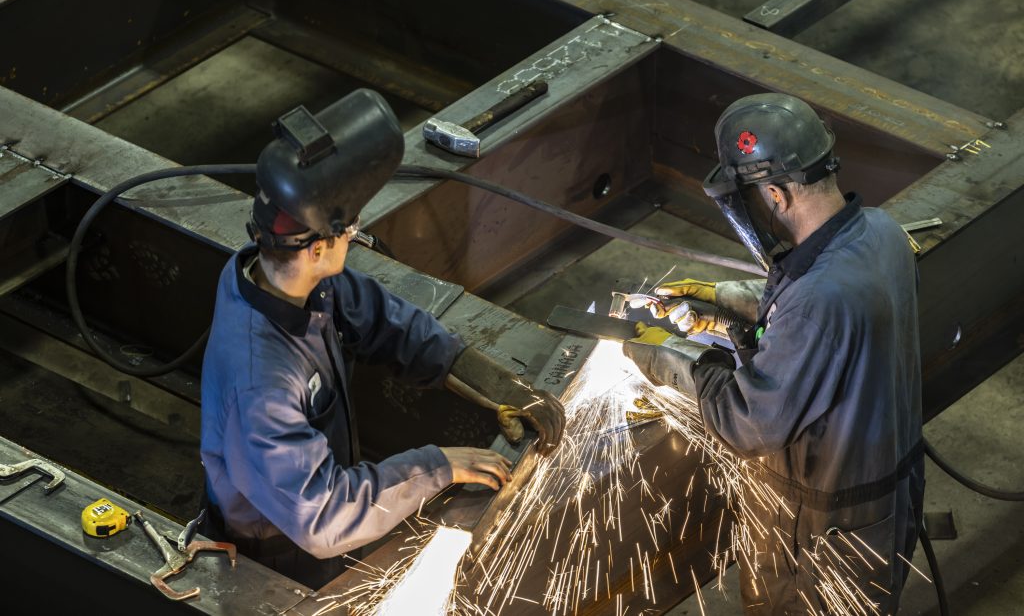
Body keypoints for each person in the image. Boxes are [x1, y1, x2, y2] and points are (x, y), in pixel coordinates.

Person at [200, 89, 564, 587]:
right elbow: (323, 519)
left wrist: (491, 380)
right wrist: (436, 466)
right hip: (281, 550)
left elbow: (382, 320)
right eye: (349, 227)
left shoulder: (283, 276)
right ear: (318, 247)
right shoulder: (260, 383)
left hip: (314, 500)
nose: (356, 233)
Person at [623, 93, 923, 614]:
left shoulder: (817, 302)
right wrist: (724, 301)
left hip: (819, 530)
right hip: (886, 501)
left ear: (778, 194)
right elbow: (822, 309)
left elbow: (748, 423)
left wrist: (668, 355)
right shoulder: (882, 230)